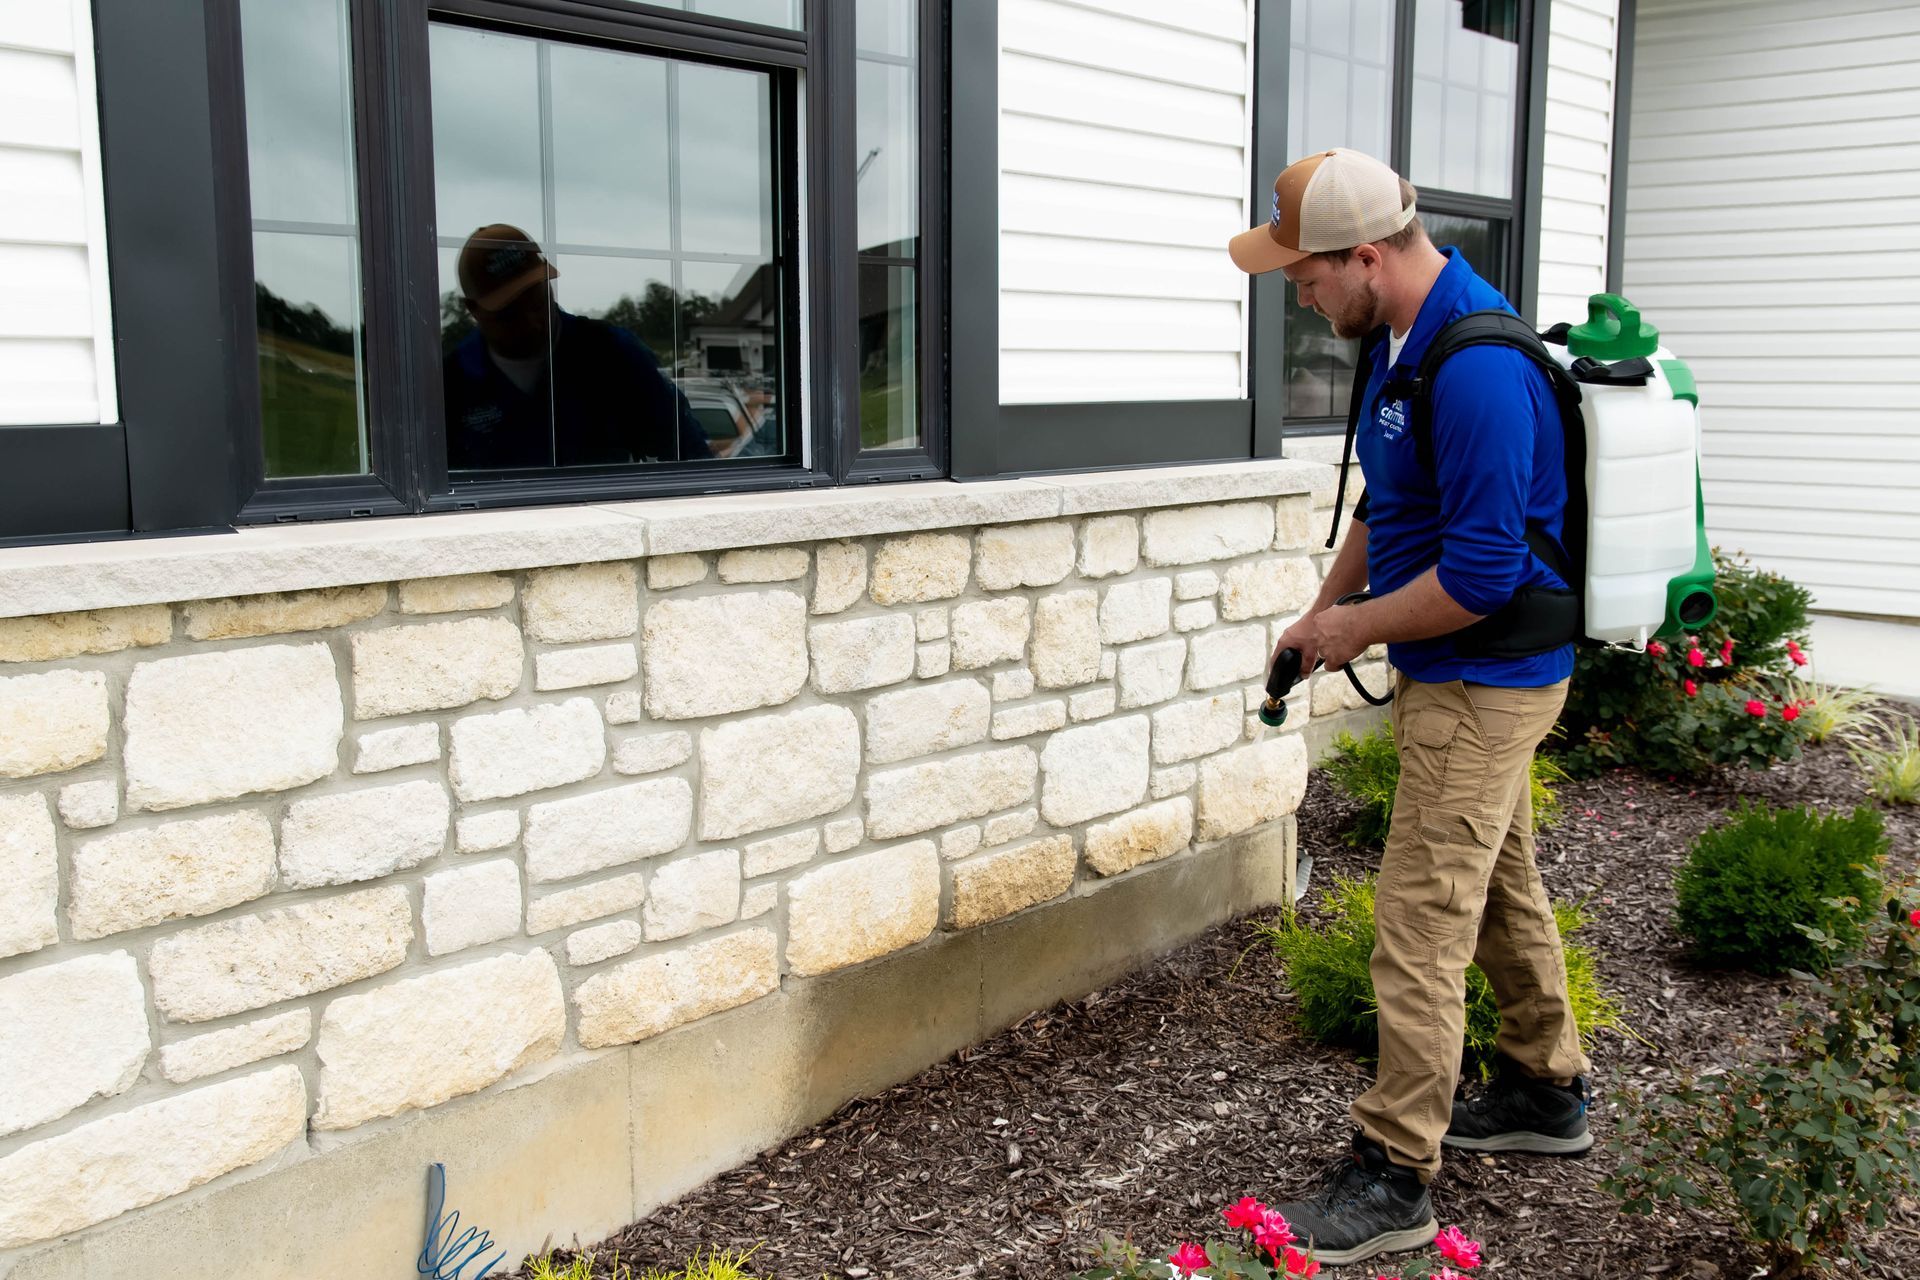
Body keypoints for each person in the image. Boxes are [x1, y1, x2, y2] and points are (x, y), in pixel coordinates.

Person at [1227, 149, 1591, 1268]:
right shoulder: (1402, 344)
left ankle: (1394, 1171)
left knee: (1421, 916)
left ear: (1368, 256)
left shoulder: (1477, 369)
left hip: (1487, 677)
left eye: (1305, 277)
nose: (1300, 295)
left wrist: (1357, 630)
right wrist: (1319, 611)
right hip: (1455, 668)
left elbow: (1483, 572)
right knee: (1494, 883)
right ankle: (1542, 1086)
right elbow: (1395, 510)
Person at [444, 224, 712, 470]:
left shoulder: (611, 353)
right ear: (473, 309)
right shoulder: (453, 383)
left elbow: (689, 453)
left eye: (537, 302)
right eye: (511, 313)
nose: (533, 322)